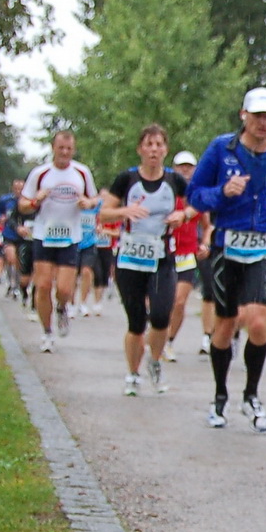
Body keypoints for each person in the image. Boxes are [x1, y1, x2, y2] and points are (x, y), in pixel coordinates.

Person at [187, 88, 266, 432]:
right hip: (227, 245)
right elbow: (195, 195)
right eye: (257, 116)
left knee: (257, 321)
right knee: (224, 326)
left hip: (264, 247)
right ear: (244, 116)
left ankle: (252, 395)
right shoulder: (221, 149)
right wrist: (222, 193)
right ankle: (220, 396)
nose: (263, 123)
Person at [99, 125, 195, 396]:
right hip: (130, 258)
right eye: (149, 144)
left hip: (162, 257)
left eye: (159, 145)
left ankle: (154, 362)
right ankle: (132, 374)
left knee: (162, 315)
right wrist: (124, 211)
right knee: (136, 321)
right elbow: (104, 214)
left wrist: (183, 215)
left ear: (165, 149)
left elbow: (196, 202)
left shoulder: (175, 181)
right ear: (140, 149)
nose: (154, 150)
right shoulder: (126, 180)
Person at [19, 130, 99, 354]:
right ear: (53, 148)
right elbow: (23, 205)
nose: (64, 152)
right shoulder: (40, 173)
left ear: (73, 150)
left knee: (64, 289)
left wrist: (87, 202)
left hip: (70, 237)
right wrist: (36, 201)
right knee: (43, 285)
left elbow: (95, 199)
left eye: (69, 149)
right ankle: (47, 332)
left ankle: (63, 308)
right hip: (44, 235)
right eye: (61, 148)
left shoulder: (81, 173)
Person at [164, 150, 208, 360]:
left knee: (180, 301)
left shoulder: (198, 195)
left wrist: (205, 243)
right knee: (161, 301)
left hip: (187, 253)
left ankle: (169, 341)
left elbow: (208, 226)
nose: (185, 170)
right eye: (181, 166)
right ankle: (156, 335)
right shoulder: (166, 191)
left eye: (189, 167)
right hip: (163, 252)